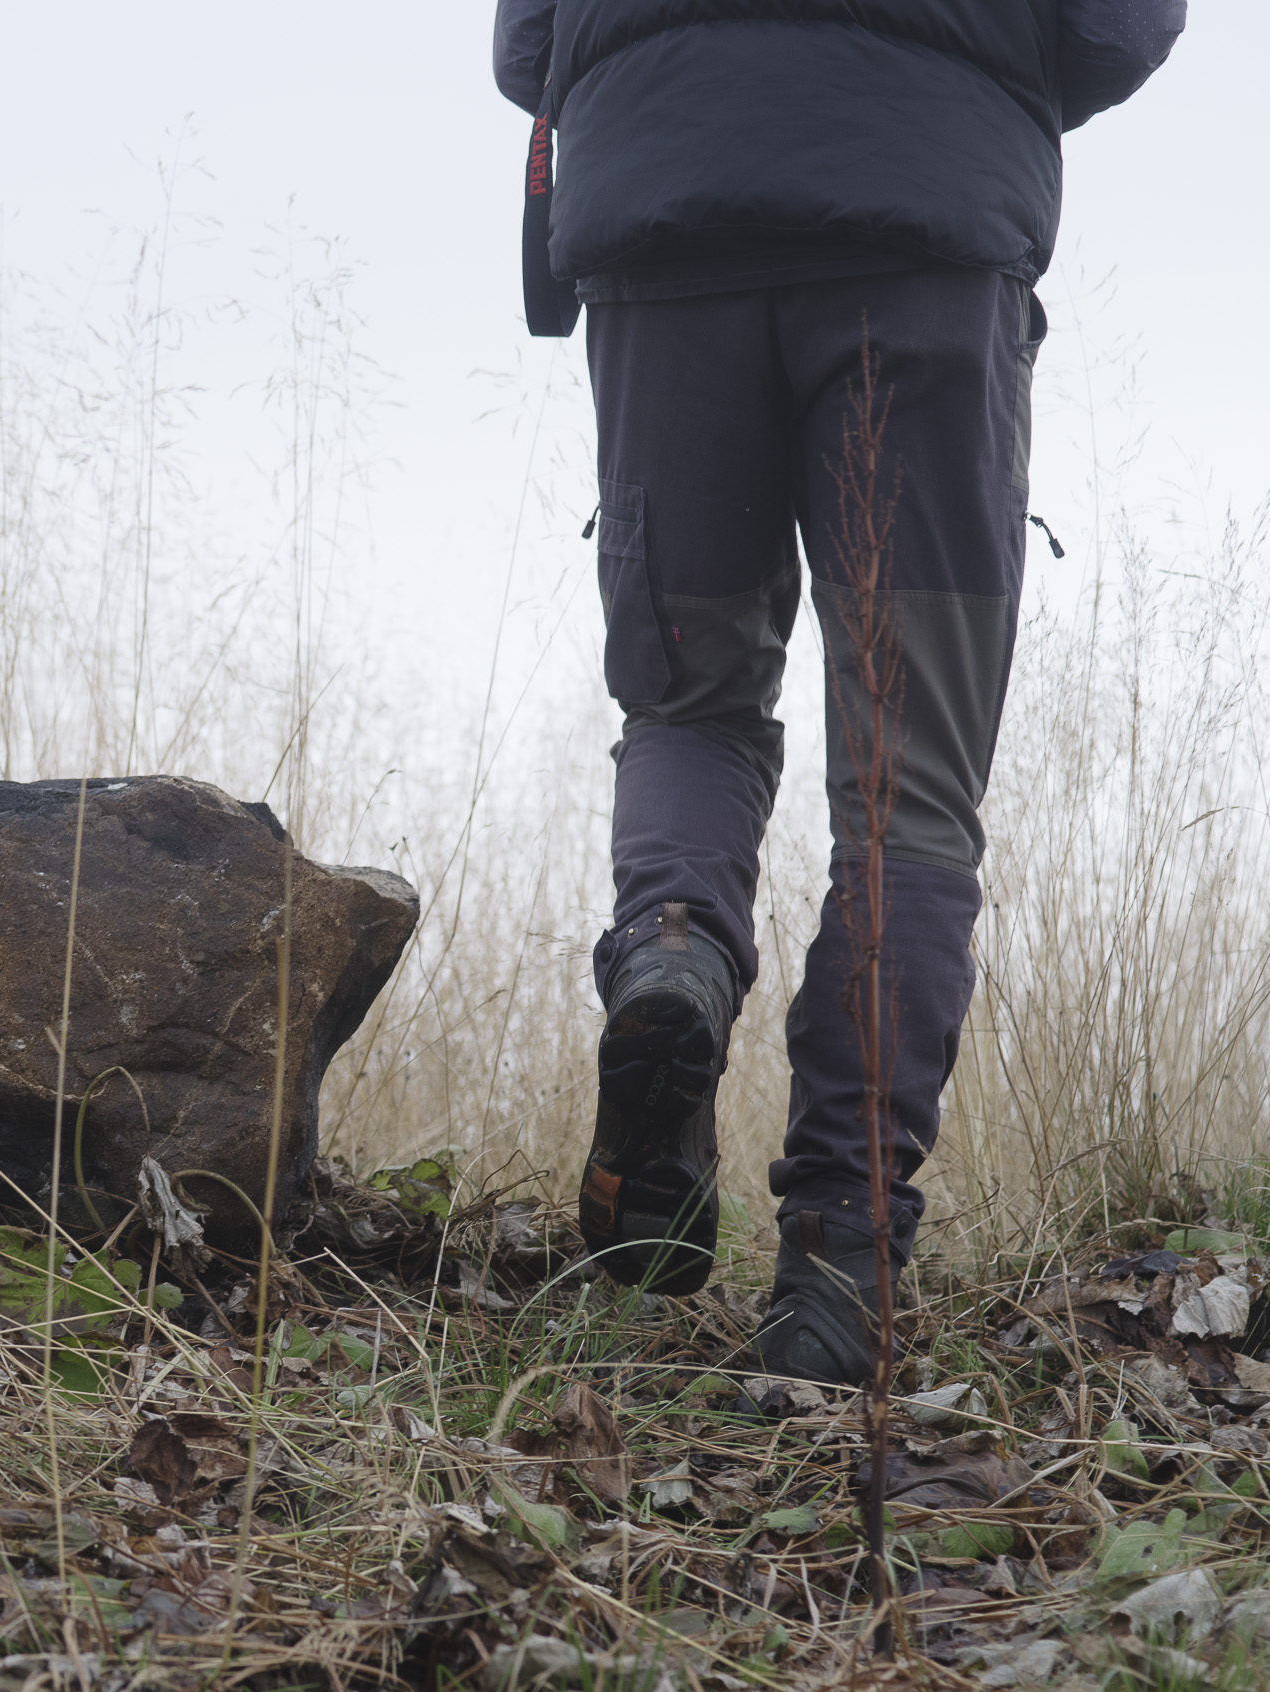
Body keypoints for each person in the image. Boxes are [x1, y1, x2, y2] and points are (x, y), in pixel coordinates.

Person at [491, 1, 1185, 1384]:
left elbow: (526, 50)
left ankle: (675, 952)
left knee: (689, 702)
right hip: (923, 241)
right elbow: (1118, 24)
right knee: (907, 791)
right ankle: (833, 1254)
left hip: (667, 232)